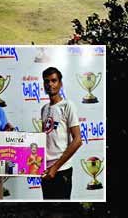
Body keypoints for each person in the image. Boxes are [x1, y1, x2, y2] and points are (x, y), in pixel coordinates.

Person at [40, 66, 81, 199]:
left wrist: (55, 167)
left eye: (54, 80)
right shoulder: (44, 109)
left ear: (60, 83)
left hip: (61, 169)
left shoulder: (68, 105)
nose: (50, 84)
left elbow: (77, 140)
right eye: (47, 81)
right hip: (46, 170)